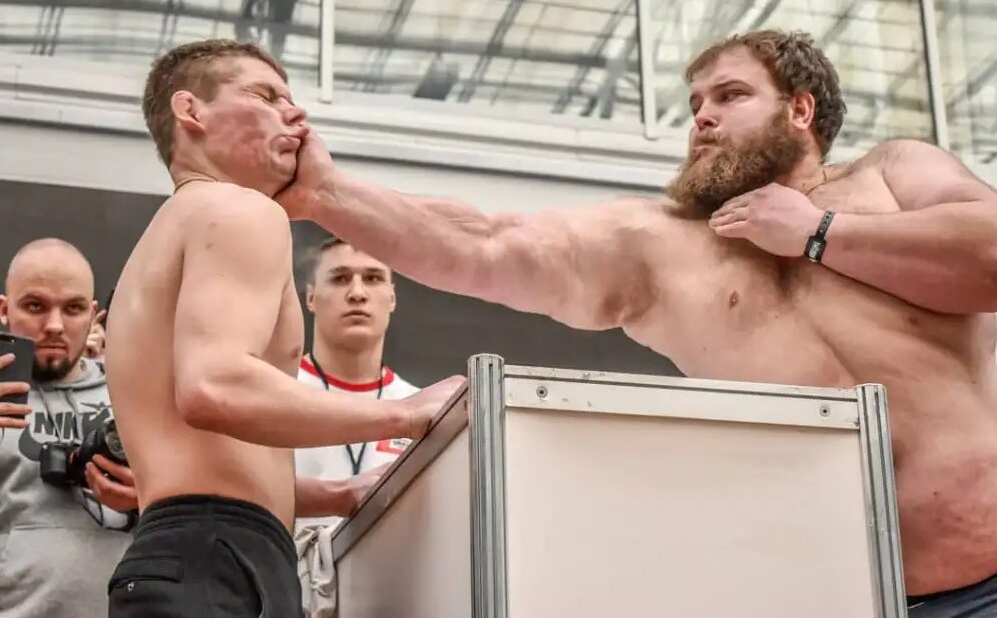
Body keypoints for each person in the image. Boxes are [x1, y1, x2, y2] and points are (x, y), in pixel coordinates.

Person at [275, 30, 997, 615]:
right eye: (695, 103)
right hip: (818, 597)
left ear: (800, 110)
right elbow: (485, 242)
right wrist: (325, 193)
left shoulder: (892, 174)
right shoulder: (661, 244)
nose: (702, 117)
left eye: (730, 95)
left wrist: (816, 232)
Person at [103, 39, 462, 618]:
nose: (296, 115)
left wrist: (337, 494)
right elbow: (214, 387)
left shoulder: (172, 232)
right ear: (191, 111)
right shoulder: (238, 210)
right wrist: (407, 412)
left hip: (196, 551)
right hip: (216, 556)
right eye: (266, 96)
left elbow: (207, 465)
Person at [0, 238, 135, 618]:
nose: (55, 326)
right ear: (4, 310)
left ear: (93, 315)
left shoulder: (135, 395)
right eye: (35, 306)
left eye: (73, 308)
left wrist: (149, 498)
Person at [293, 237, 419, 616]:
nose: (358, 292)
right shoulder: (274, 390)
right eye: (340, 278)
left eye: (373, 278)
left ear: (392, 298)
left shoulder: (420, 406)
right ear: (311, 297)